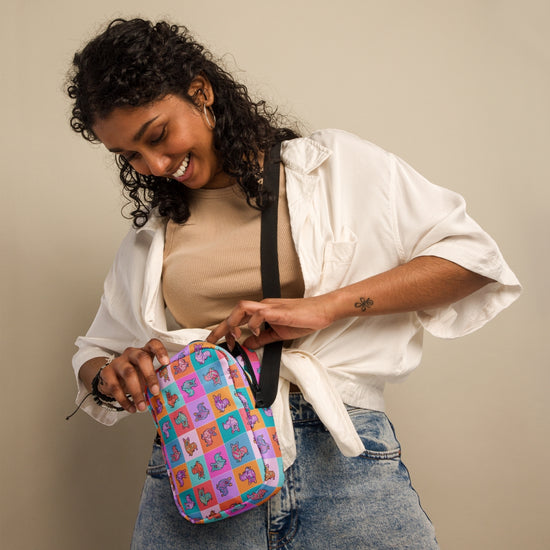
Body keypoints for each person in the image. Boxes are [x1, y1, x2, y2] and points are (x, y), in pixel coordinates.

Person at [67, 18, 521, 550]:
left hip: (341, 459)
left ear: (201, 91)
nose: (156, 165)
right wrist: (113, 375)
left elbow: (472, 261)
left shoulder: (331, 169)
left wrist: (327, 307)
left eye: (158, 135)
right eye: (131, 156)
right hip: (201, 467)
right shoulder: (152, 237)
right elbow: (94, 354)